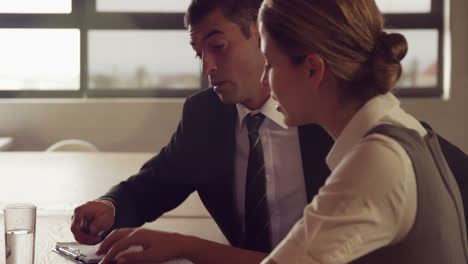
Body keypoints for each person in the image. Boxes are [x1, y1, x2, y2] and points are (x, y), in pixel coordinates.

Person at [71, 0, 333, 263]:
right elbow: (156, 183)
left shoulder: (323, 108)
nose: (207, 67)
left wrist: (185, 246)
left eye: (218, 47)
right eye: (199, 54)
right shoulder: (205, 114)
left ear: (259, 35)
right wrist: (110, 207)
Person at [257, 0, 468, 263]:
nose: (264, 81)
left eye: (269, 64)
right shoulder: (404, 128)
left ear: (313, 69)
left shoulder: (379, 159)